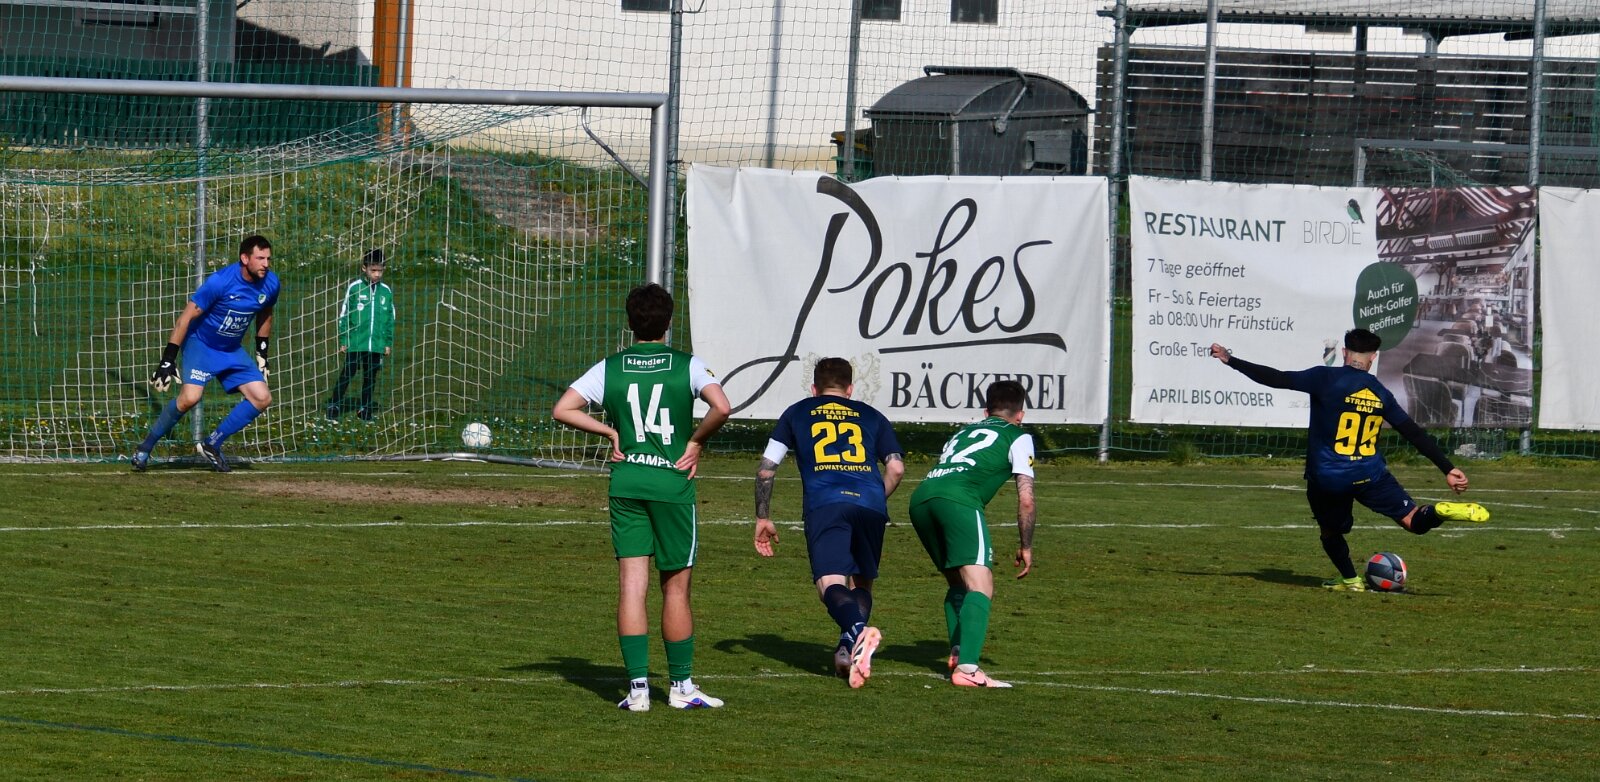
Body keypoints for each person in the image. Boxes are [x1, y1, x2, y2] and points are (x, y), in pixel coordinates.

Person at [552, 283, 732, 712]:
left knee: (632, 586)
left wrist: (609, 431)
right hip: (672, 486)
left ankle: (637, 692)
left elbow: (563, 409)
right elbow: (722, 407)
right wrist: (696, 443)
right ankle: (681, 687)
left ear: (630, 323)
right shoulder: (687, 364)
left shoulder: (610, 367)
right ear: (669, 323)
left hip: (627, 483)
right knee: (676, 589)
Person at [1209, 328, 1490, 592]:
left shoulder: (1324, 378)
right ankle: (1438, 512)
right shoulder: (1380, 392)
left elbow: (1276, 378)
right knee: (1413, 520)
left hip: (1329, 478)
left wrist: (1231, 360)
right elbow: (1413, 433)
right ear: (1373, 357)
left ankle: (1351, 579)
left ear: (1345, 353)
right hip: (1371, 474)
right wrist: (1448, 468)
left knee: (1330, 531)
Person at [753, 357, 905, 688]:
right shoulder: (872, 415)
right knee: (861, 584)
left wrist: (763, 516)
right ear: (850, 389)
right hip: (871, 504)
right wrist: (875, 498)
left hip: (827, 503)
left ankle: (859, 632)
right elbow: (896, 468)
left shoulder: (797, 412)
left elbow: (767, 468)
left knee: (829, 583)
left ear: (814, 388)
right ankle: (847, 649)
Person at [907, 379, 1036, 689]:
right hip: (959, 501)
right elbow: (1026, 499)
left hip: (921, 499)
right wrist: (1026, 545)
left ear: (986, 411)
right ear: (1020, 414)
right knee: (981, 584)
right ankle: (967, 669)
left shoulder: (962, 432)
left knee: (958, 582)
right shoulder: (1019, 436)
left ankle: (958, 650)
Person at [132, 234, 280, 473]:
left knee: (262, 398)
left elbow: (266, 313)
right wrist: (168, 359)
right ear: (245, 259)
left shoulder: (271, 283)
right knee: (190, 398)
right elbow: (185, 318)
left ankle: (212, 444)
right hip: (201, 345)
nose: (266, 264)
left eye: (268, 259)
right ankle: (145, 447)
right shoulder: (220, 282)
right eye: (260, 258)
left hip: (231, 350)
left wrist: (262, 352)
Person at [325, 249, 396, 421]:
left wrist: (387, 343)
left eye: (380, 270)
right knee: (347, 374)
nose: (377, 274)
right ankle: (334, 404)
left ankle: (364, 408)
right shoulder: (355, 288)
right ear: (364, 268)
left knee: (370, 377)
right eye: (373, 270)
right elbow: (344, 315)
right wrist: (344, 339)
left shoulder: (386, 291)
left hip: (376, 344)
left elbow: (390, 319)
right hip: (356, 342)